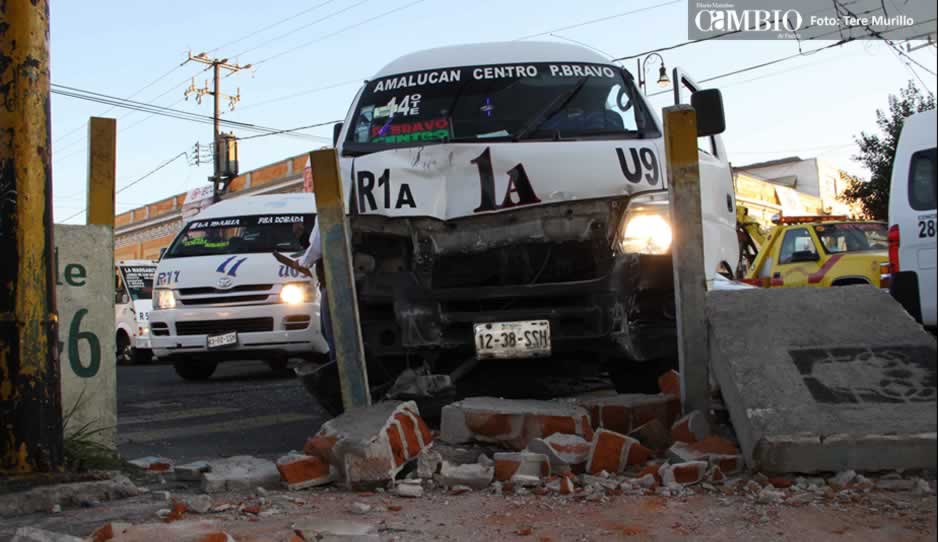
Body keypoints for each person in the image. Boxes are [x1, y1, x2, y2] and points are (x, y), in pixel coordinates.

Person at [296, 218, 334, 362]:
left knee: (331, 331)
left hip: (332, 283)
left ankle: (338, 365)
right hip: (333, 280)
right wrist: (303, 237)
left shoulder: (327, 211)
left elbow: (317, 248)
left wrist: (302, 263)